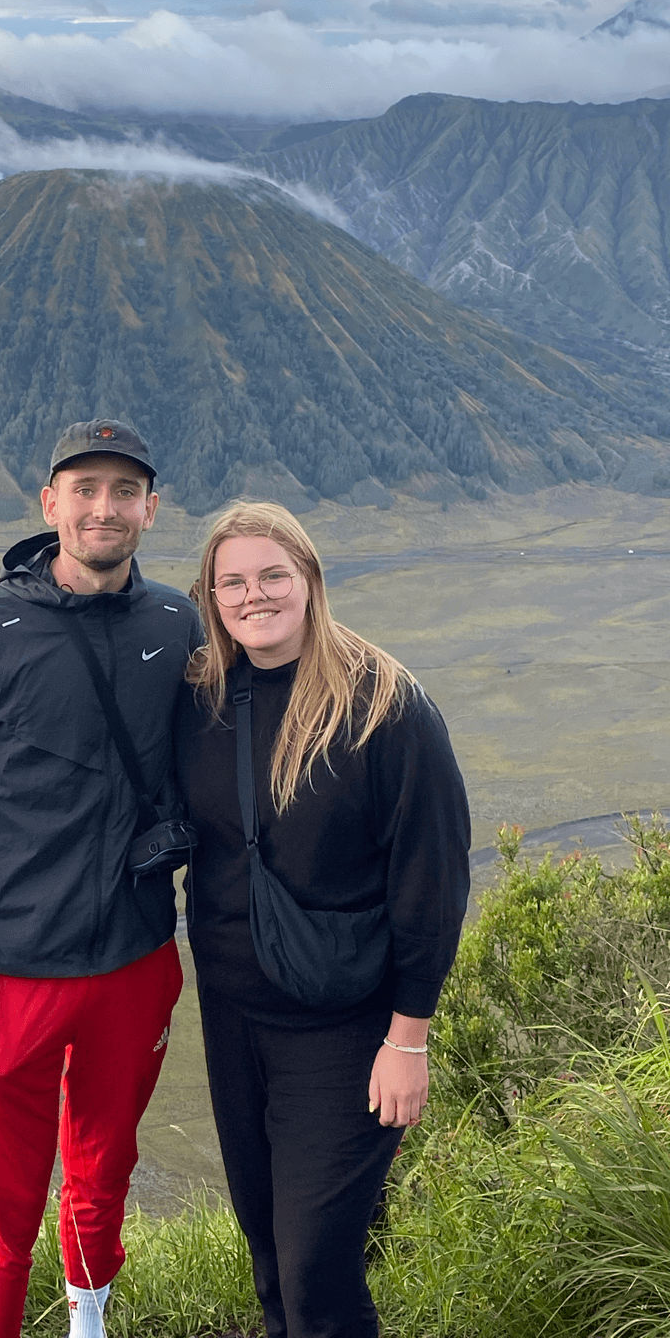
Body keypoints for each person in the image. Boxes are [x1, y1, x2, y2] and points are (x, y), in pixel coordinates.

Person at [0, 419, 202, 1338]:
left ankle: (88, 1325)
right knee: (2, 1210)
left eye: (123, 491)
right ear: (50, 503)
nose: (103, 508)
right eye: (84, 488)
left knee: (104, 1169)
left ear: (151, 509)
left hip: (136, 963)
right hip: (10, 976)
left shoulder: (175, 622)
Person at [175, 500, 470, 1338]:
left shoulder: (386, 708)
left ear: (310, 580)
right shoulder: (201, 698)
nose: (253, 595)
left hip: (345, 1031)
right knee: (270, 1255)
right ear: (209, 595)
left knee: (316, 1274)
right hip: (233, 1017)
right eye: (231, 581)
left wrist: (407, 1039)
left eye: (273, 574)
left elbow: (433, 881)